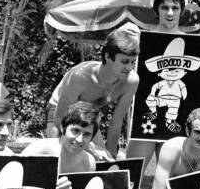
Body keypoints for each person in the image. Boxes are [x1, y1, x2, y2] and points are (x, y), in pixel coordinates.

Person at [126, 0, 200, 169]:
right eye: (164, 7)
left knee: (176, 181)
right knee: (131, 174)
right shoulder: (140, 39)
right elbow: (115, 62)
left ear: (181, 11)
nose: (169, 13)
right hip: (145, 120)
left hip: (180, 120)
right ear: (157, 10)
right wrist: (121, 36)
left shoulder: (195, 43)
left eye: (175, 8)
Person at [45, 26, 140, 159]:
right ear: (107, 56)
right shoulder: (80, 75)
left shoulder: (131, 81)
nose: (129, 67)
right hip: (60, 113)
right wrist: (89, 147)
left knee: (102, 158)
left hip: (87, 117)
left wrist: (110, 156)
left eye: (132, 62)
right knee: (61, 156)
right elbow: (60, 118)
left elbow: (116, 123)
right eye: (124, 61)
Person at [23, 101, 98, 173]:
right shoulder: (39, 150)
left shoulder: (88, 163)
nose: (79, 139)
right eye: (75, 131)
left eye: (87, 134)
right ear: (62, 128)